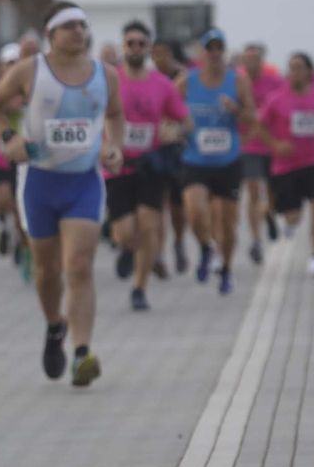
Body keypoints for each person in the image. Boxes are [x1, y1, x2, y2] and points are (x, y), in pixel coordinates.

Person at [0, 0, 125, 387]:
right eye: (69, 25)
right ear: (51, 34)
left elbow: (114, 114)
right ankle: (53, 326)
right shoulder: (29, 71)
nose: (78, 31)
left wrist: (114, 146)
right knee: (47, 270)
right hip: (40, 181)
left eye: (82, 24)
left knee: (79, 265)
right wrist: (9, 137)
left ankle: (82, 352)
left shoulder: (105, 74)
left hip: (83, 182)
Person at [110, 21, 188, 311]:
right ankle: (125, 249)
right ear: (123, 46)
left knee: (149, 226)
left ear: (149, 48)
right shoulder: (110, 80)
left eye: (142, 43)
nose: (136, 48)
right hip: (116, 166)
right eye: (130, 43)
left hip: (150, 165)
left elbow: (183, 119)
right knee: (126, 232)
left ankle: (139, 288)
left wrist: (175, 132)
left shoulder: (162, 84)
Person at [175, 28, 256, 296]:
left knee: (227, 222)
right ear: (200, 52)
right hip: (195, 158)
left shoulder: (238, 81)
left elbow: (251, 119)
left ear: (224, 51)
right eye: (209, 48)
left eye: (218, 48)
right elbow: (167, 108)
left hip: (228, 160)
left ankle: (227, 268)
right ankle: (206, 247)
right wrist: (173, 128)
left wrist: (235, 110)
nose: (214, 53)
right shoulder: (187, 81)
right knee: (195, 210)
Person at [259, 52, 314, 277]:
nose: (294, 72)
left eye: (299, 67)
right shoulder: (276, 99)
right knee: (293, 216)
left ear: (309, 72)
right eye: (291, 67)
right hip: (285, 167)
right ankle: (277, 215)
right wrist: (275, 144)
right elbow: (260, 126)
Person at [237, 44, 285, 265]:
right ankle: (256, 240)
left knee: (274, 193)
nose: (251, 63)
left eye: (255, 59)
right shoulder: (238, 83)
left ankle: (269, 214)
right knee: (253, 190)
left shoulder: (275, 83)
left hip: (271, 145)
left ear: (262, 61)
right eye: (247, 59)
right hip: (249, 147)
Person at [150, 40, 191, 276]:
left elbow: (189, 113)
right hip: (155, 147)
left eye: (163, 53)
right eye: (155, 54)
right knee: (158, 205)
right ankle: (158, 253)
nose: (159, 58)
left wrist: (179, 130)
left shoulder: (182, 78)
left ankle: (178, 242)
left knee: (177, 206)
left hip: (177, 147)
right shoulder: (148, 77)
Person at [0, 43, 28, 273]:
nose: (13, 68)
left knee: (21, 213)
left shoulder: (30, 88)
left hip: (23, 159)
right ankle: (3, 227)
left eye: (17, 63)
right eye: (9, 64)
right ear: (2, 67)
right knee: (2, 200)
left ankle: (23, 246)